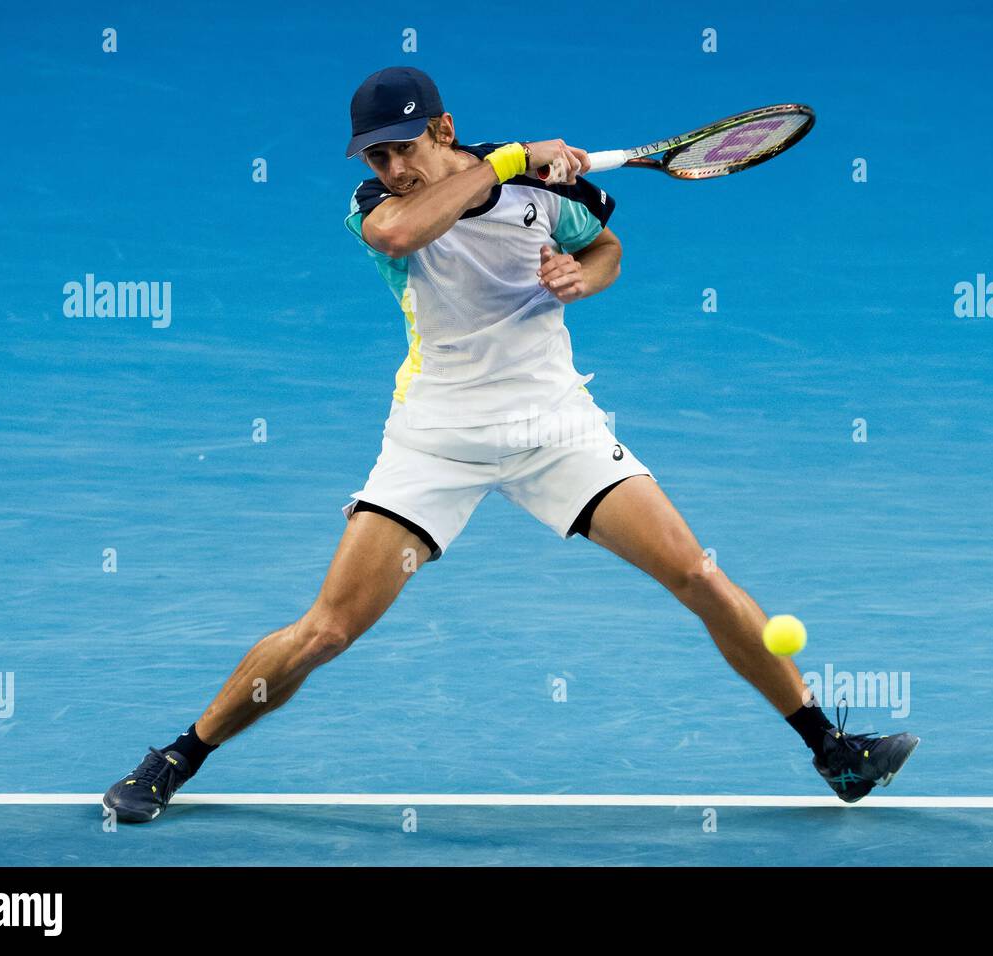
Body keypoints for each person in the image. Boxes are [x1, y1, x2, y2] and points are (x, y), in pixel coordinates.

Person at [102, 66, 918, 824]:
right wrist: (516, 156)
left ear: (444, 127)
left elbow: (605, 248)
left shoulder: (542, 196)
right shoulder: (376, 209)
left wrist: (580, 276)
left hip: (555, 428)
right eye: (378, 155)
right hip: (436, 442)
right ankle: (177, 757)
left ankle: (833, 752)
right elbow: (401, 233)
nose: (391, 168)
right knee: (327, 631)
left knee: (697, 573)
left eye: (405, 148)